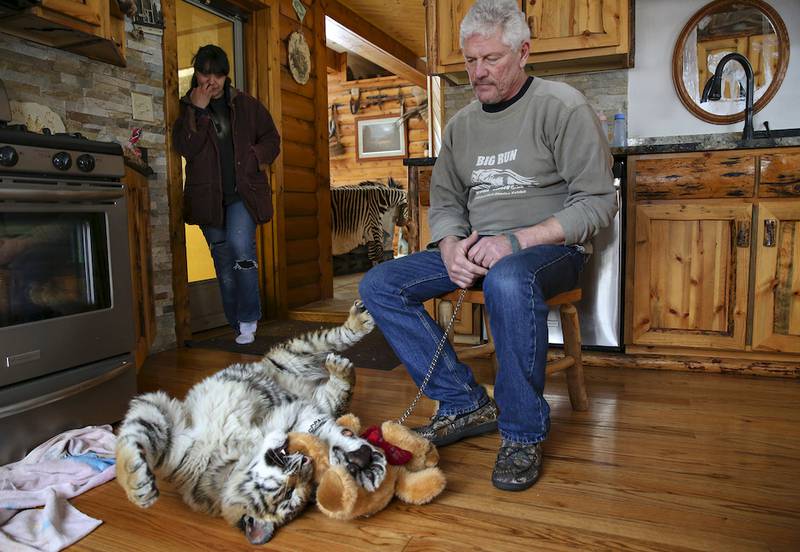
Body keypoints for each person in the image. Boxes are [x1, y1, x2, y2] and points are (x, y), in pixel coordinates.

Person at [359, 0, 617, 491]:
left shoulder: (562, 107)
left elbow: (598, 205)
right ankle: (463, 402)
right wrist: (451, 244)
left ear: (523, 52)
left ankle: (522, 433)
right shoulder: (461, 126)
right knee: (380, 283)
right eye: (470, 60)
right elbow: (447, 201)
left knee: (509, 275)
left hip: (550, 250)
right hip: (479, 248)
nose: (478, 72)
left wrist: (517, 241)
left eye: (491, 59)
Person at [173, 44, 280, 345]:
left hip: (241, 195)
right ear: (196, 74)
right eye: (205, 74)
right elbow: (186, 148)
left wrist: (254, 155)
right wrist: (198, 109)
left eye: (218, 75)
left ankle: (249, 318)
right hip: (208, 198)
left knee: (241, 251)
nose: (212, 81)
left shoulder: (246, 104)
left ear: (225, 75)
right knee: (222, 260)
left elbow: (272, 138)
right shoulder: (187, 107)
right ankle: (237, 323)